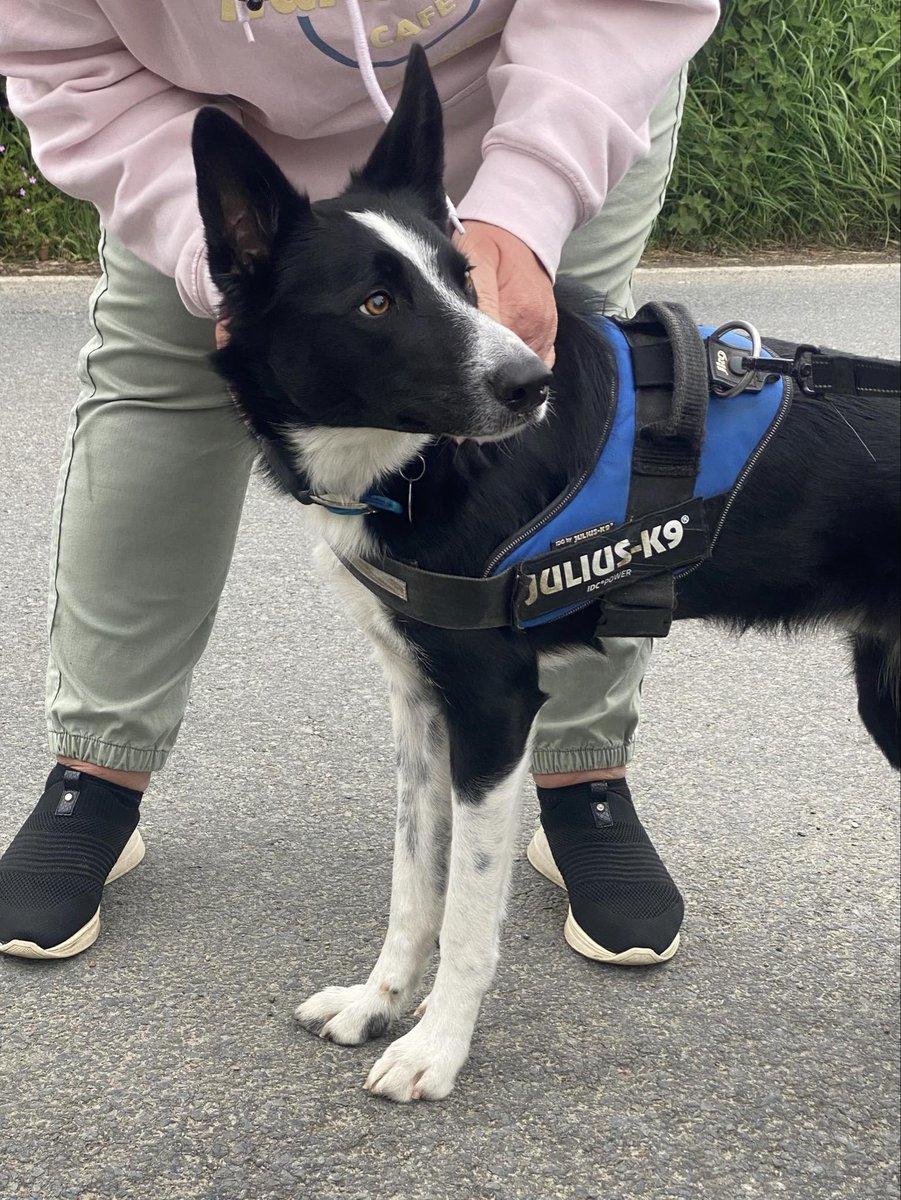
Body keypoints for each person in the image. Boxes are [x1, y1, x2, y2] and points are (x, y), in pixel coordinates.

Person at [0, 0, 720, 962]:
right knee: (158, 394)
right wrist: (212, 255)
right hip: (195, 118)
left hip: (544, 80)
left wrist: (531, 202)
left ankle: (580, 773)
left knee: (576, 418)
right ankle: (99, 771)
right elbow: (66, 53)